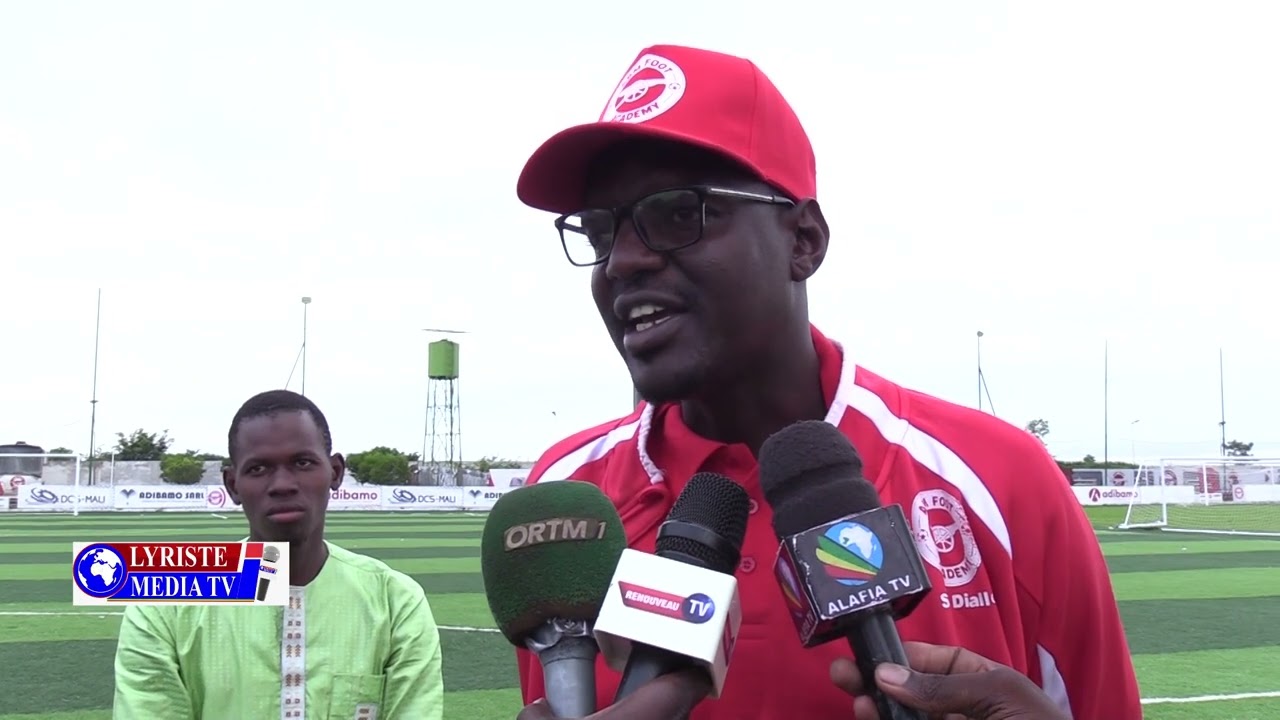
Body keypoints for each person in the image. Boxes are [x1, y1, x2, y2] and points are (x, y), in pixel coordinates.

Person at [511, 44, 1142, 719]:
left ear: (804, 240)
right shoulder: (563, 503)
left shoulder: (998, 479)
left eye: (676, 213)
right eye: (601, 230)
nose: (624, 261)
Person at [112, 389, 444, 719]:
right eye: (258, 469)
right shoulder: (164, 604)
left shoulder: (396, 601)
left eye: (302, 463)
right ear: (232, 485)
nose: (282, 484)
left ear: (335, 473)